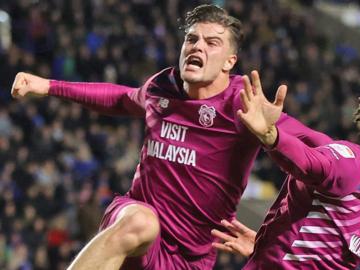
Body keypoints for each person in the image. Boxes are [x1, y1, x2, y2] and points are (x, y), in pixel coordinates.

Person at [10, 4, 329, 270]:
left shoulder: (242, 104)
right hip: (136, 220)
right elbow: (122, 98)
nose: (197, 46)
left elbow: (322, 148)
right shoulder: (163, 86)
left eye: (211, 42)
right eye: (191, 39)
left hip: (191, 257)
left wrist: (271, 134)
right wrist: (49, 86)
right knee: (142, 223)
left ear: (229, 62)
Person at [212, 77, 360, 269]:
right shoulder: (350, 167)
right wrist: (271, 137)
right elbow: (309, 163)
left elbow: (302, 134)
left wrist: (269, 247)